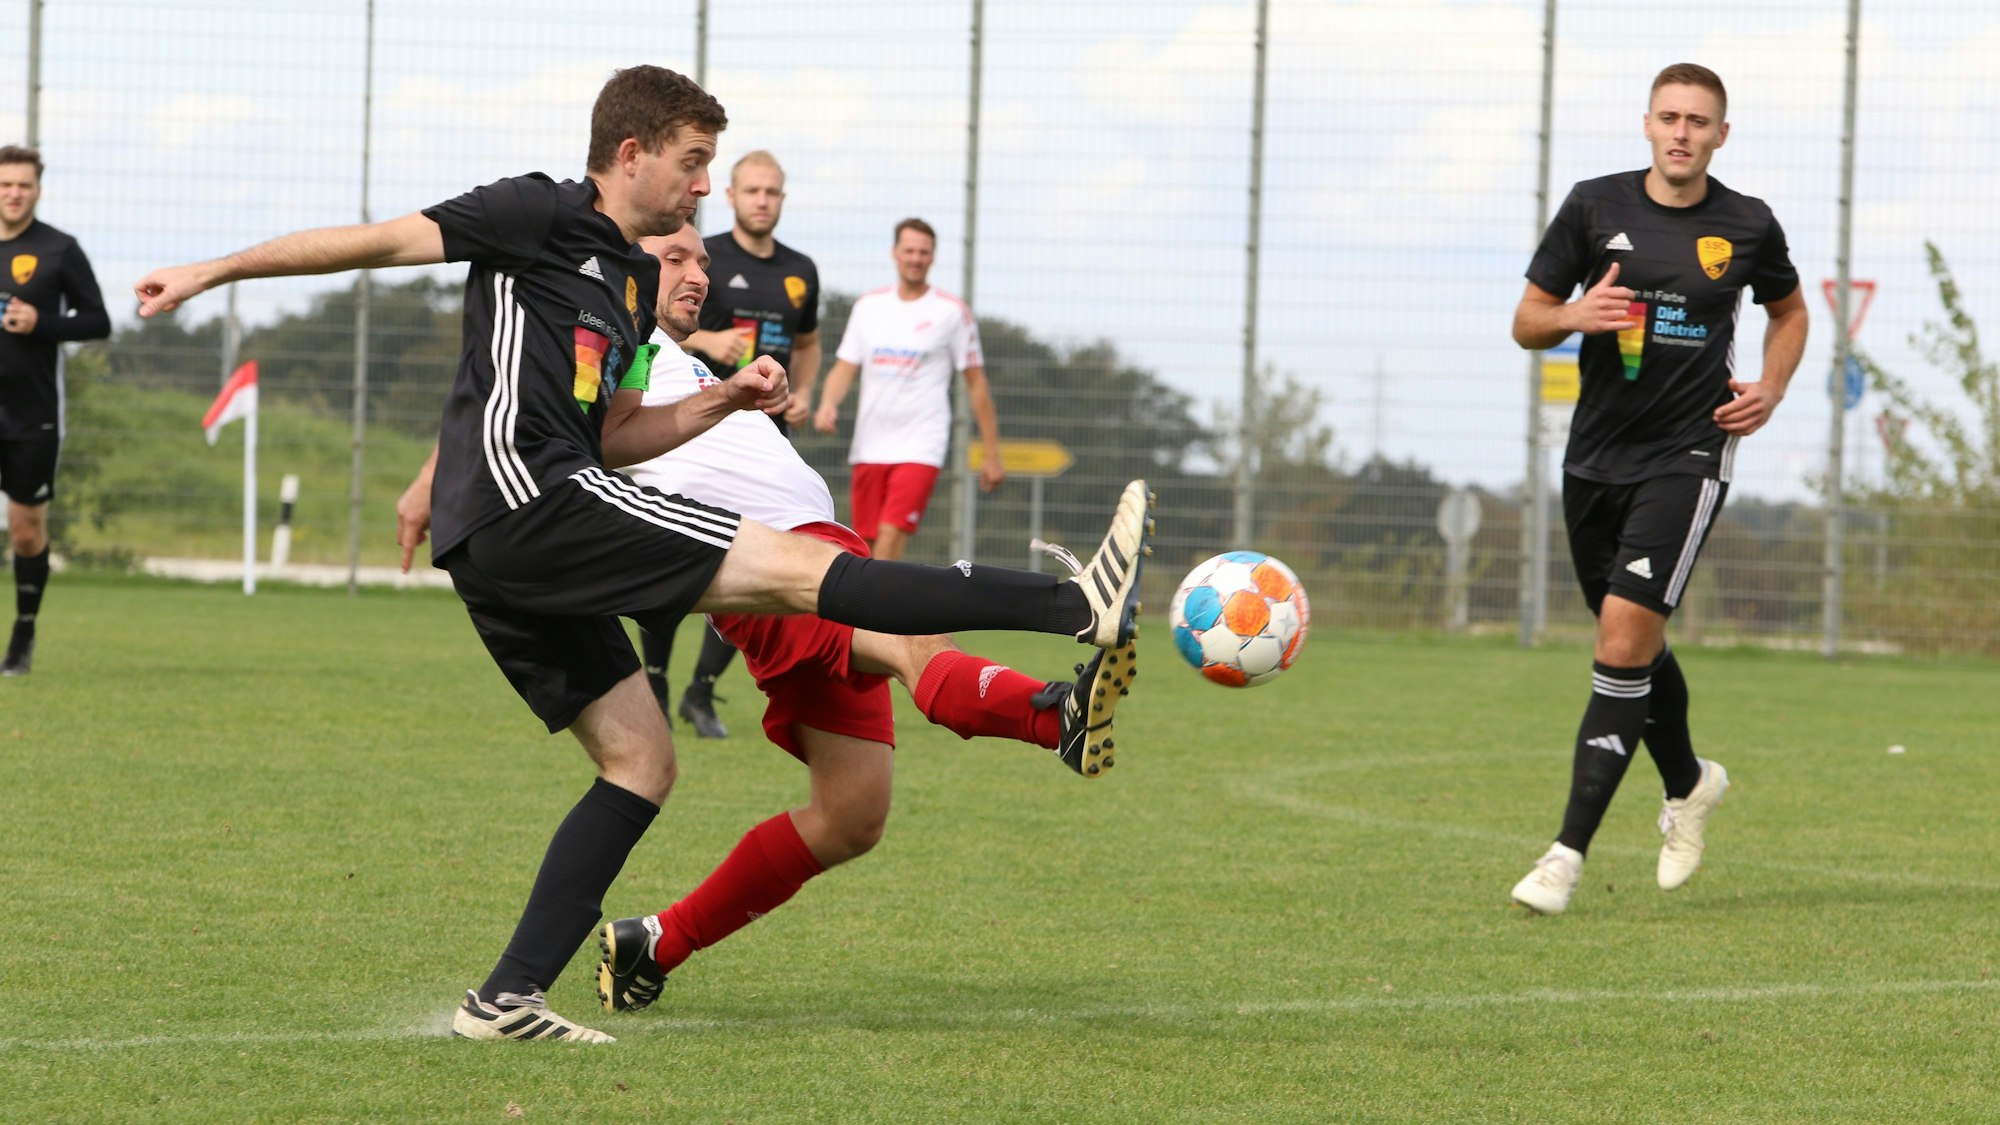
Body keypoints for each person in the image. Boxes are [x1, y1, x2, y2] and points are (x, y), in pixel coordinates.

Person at [135, 65, 1152, 1044]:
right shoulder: (533, 211)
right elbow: (375, 241)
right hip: (527, 502)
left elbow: (613, 431)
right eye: (694, 161)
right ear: (631, 154)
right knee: (808, 578)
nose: (705, 186)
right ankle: (1071, 604)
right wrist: (215, 270)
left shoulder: (624, 281)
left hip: (528, 529)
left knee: (642, 758)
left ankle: (506, 997)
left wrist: (716, 399)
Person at [571, 222, 1136, 1013]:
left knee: (850, 814)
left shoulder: (679, 357)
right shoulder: (610, 341)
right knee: (911, 639)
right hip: (769, 563)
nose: (698, 272)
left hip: (806, 553)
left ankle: (656, 941)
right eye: (676, 259)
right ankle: (1059, 703)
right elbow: (570, 434)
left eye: (702, 259)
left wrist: (743, 394)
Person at [1507, 63, 1807, 915]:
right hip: (1594, 460)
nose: (1682, 132)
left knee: (1621, 635)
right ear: (1647, 124)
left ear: (1721, 135)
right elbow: (1528, 319)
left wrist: (1772, 389)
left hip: (1690, 455)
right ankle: (1689, 781)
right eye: (1670, 117)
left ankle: (1563, 857)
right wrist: (1571, 317)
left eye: (1699, 121)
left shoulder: (1748, 225)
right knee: (1630, 641)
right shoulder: (1594, 207)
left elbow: (1790, 313)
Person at [645, 150, 826, 739]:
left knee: (758, 570)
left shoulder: (801, 270)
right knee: (680, 549)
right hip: (691, 425)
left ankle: (701, 691)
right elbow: (664, 330)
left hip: (762, 431)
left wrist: (800, 390)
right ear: (730, 195)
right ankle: (654, 680)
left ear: (782, 198)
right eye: (752, 190)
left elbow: (807, 343)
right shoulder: (700, 254)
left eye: (772, 192)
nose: (761, 201)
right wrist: (714, 345)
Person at [812, 217, 1004, 561]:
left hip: (920, 444)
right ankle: (872, 614)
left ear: (932, 257)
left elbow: (976, 384)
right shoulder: (868, 307)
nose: (915, 258)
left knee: (890, 537)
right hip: (869, 446)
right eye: (909, 250)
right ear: (895, 253)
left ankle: (874, 615)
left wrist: (992, 453)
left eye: (923, 252)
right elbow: (845, 365)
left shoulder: (951, 312)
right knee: (865, 548)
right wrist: (827, 403)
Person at [0, 144, 110, 676]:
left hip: (33, 414)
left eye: (23, 184)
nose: (13, 193)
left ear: (37, 189)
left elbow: (98, 322)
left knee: (24, 530)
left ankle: (22, 634)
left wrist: (40, 322)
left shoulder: (59, 250)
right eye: (5, 184)